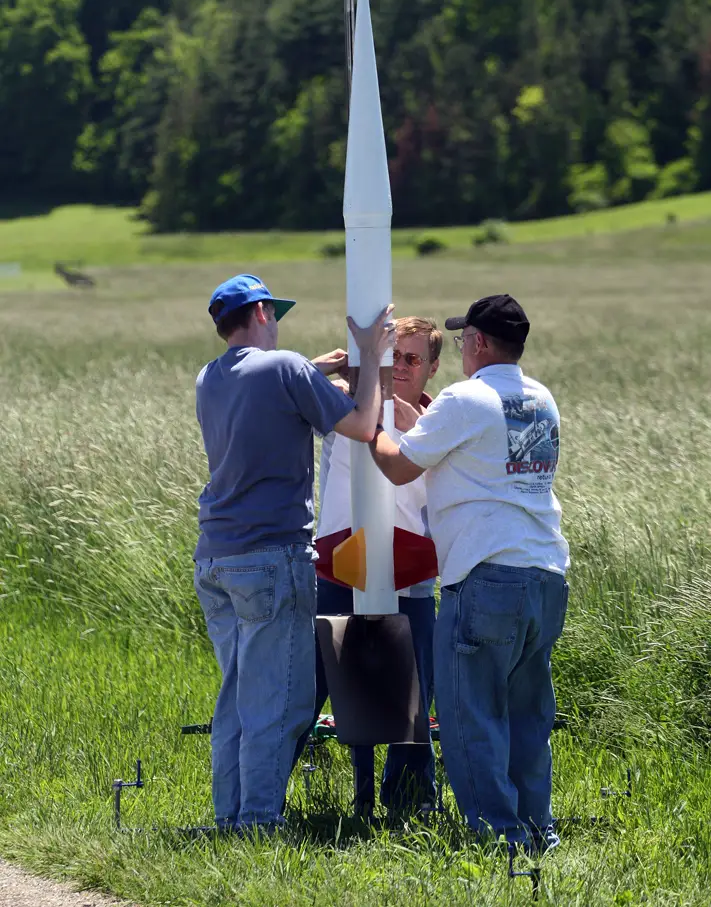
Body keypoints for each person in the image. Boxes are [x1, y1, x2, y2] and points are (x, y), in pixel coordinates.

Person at [193, 273, 394, 833]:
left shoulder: (210, 377)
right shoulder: (285, 369)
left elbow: (267, 382)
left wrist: (315, 370)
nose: (277, 323)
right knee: (279, 699)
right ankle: (258, 822)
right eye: (273, 313)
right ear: (259, 313)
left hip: (216, 557)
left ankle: (229, 815)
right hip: (271, 554)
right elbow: (361, 423)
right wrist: (371, 362)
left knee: (237, 692)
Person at [368, 294, 570, 851]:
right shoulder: (540, 398)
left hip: (484, 574)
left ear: (478, 342)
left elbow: (398, 464)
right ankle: (537, 830)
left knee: (469, 715)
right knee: (528, 716)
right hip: (546, 571)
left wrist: (372, 425)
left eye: (463, 340)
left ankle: (498, 839)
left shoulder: (463, 397)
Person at [295, 317, 442, 815]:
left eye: (411, 359)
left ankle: (411, 804)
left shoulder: (441, 420)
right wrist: (348, 361)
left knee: (416, 697)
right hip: (337, 569)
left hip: (411, 575)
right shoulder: (343, 407)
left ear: (433, 368)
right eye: (390, 356)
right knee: (307, 691)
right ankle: (262, 802)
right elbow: (290, 388)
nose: (399, 367)